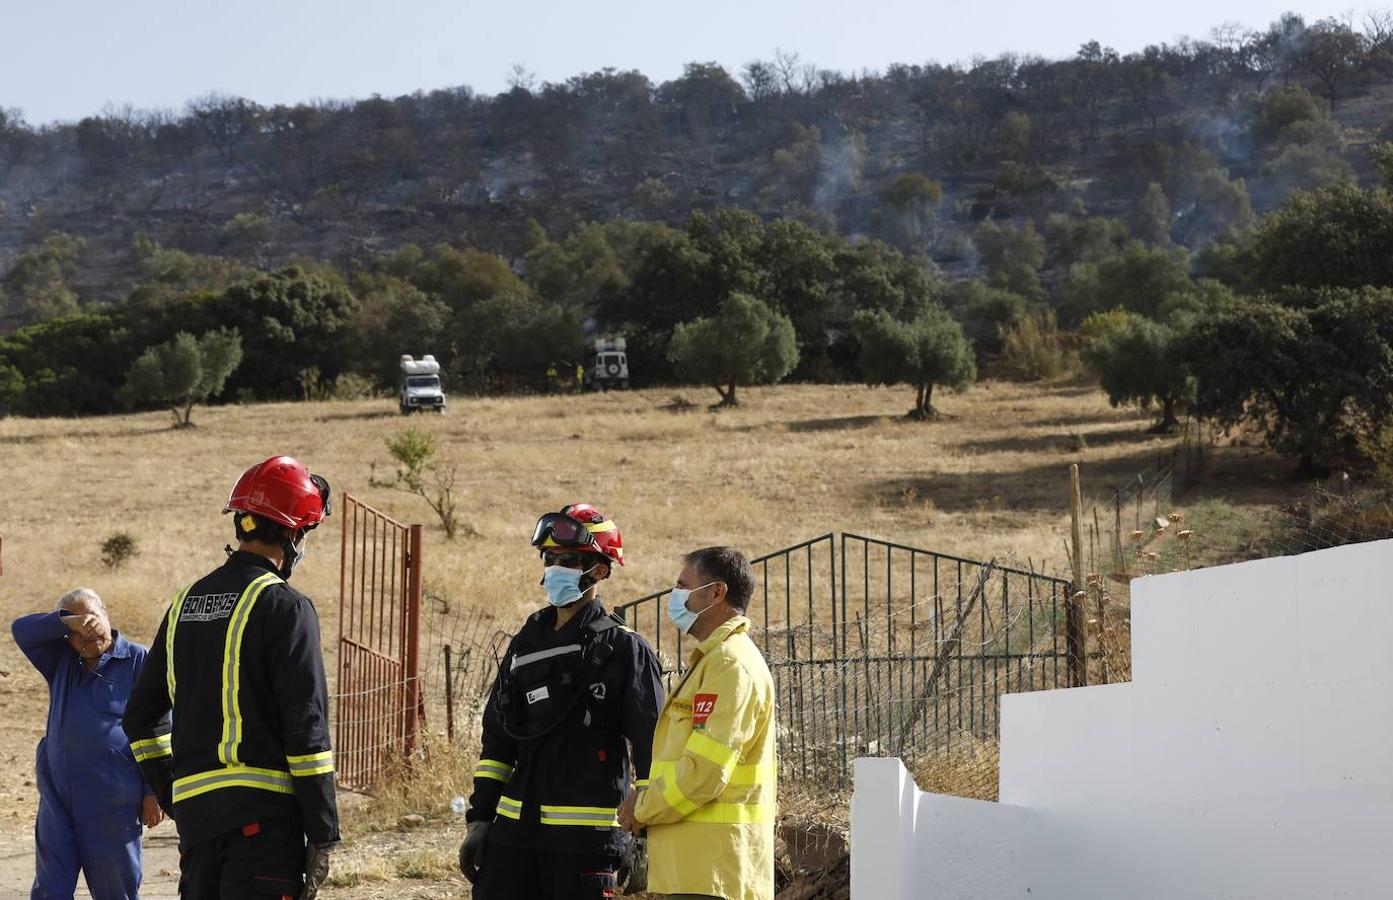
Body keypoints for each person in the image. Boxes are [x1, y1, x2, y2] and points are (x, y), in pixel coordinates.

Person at [123, 456, 339, 899]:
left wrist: (175, 793)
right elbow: (306, 729)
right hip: (264, 827)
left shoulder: (185, 603)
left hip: (199, 827)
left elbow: (141, 719)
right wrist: (323, 832)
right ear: (291, 533)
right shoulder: (286, 606)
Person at [458, 503, 664, 899]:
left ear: (600, 570)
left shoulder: (624, 650)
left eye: (567, 559)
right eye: (549, 558)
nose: (554, 567)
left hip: (586, 846)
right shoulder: (527, 642)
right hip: (514, 838)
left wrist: (645, 835)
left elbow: (653, 745)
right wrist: (480, 819)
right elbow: (497, 742)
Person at [617, 547, 777, 900]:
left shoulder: (729, 666)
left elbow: (704, 772)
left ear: (716, 592)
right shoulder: (714, 662)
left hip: (714, 874)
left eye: (682, 586)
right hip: (696, 872)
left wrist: (641, 807)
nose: (674, 597)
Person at [11, 588, 164, 900]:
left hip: (113, 803)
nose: (87, 634)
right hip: (59, 800)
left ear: (105, 613)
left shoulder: (138, 659)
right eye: (78, 631)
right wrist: (71, 621)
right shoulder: (61, 662)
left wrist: (153, 791)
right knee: (50, 889)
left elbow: (159, 725)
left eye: (92, 619)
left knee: (115, 891)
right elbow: (21, 630)